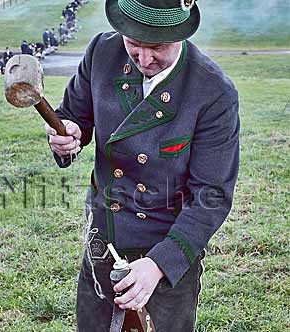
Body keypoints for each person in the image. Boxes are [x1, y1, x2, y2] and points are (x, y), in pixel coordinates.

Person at [45, 0, 240, 331]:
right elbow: (73, 116)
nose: (145, 59)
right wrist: (66, 135)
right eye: (134, 43)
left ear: (179, 32)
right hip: (105, 234)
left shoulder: (214, 92)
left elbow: (211, 195)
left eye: (157, 46)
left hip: (168, 244)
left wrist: (158, 265)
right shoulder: (101, 53)